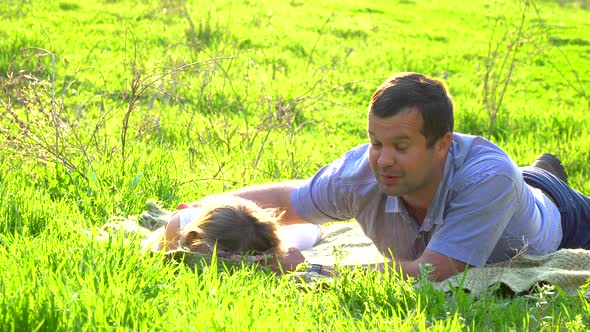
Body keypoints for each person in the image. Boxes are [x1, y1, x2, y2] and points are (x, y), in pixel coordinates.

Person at [184, 72, 590, 281]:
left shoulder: (488, 180)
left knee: (533, 184)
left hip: (564, 216)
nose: (383, 160)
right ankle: (539, 170)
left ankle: (544, 172)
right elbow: (291, 200)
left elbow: (431, 272)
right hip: (514, 191)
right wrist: (207, 210)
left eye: (400, 145)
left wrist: (313, 268)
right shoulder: (361, 171)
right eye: (376, 142)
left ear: (442, 143)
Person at [149, 196, 317, 271]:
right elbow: (161, 258)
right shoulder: (181, 223)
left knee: (312, 231)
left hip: (254, 223)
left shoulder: (270, 247)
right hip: (205, 216)